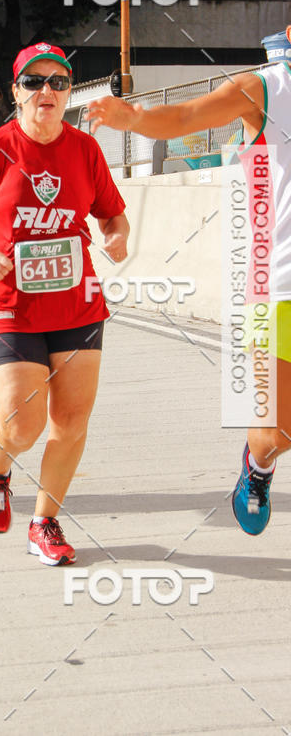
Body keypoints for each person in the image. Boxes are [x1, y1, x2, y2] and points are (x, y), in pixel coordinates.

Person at [86, 34, 291, 536]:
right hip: (277, 282)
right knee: (277, 430)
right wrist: (131, 117)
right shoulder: (265, 89)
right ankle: (257, 466)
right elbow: (183, 119)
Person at [0, 43, 129, 565]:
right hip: (12, 308)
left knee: (71, 421)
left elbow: (114, 215)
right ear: (17, 91)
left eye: (59, 81)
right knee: (23, 425)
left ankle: (45, 522)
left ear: (69, 91)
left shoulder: (86, 150)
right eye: (35, 82)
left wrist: (117, 238)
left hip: (79, 307)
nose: (47, 91)